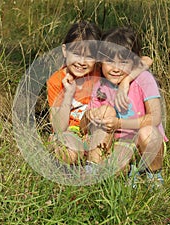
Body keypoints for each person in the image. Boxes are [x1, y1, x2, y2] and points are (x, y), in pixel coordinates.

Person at [47, 21, 151, 166]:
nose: (82, 62)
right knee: (69, 153)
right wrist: (68, 95)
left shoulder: (99, 71)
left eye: (89, 56)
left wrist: (126, 81)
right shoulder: (57, 80)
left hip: (96, 131)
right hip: (70, 132)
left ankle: (94, 165)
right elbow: (59, 127)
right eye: (76, 53)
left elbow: (146, 60)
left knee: (106, 116)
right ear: (65, 50)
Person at [81, 26, 168, 188]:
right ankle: (92, 169)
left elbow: (155, 118)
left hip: (144, 142)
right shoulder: (101, 85)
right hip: (118, 143)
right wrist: (90, 116)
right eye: (109, 61)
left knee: (148, 132)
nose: (115, 68)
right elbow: (84, 127)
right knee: (103, 115)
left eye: (123, 62)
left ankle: (154, 173)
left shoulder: (144, 79)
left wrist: (119, 124)